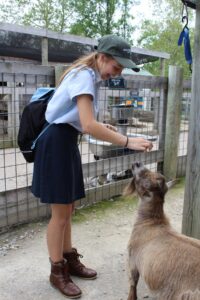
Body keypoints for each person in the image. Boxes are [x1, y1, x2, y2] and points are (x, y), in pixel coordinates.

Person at [31, 34, 153, 299]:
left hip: (66, 140)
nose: (116, 73)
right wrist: (127, 140)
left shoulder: (90, 76)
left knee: (69, 207)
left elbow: (82, 122)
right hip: (56, 143)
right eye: (116, 66)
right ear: (102, 57)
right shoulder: (84, 76)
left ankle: (68, 257)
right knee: (60, 213)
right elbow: (87, 124)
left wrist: (106, 127)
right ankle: (57, 271)